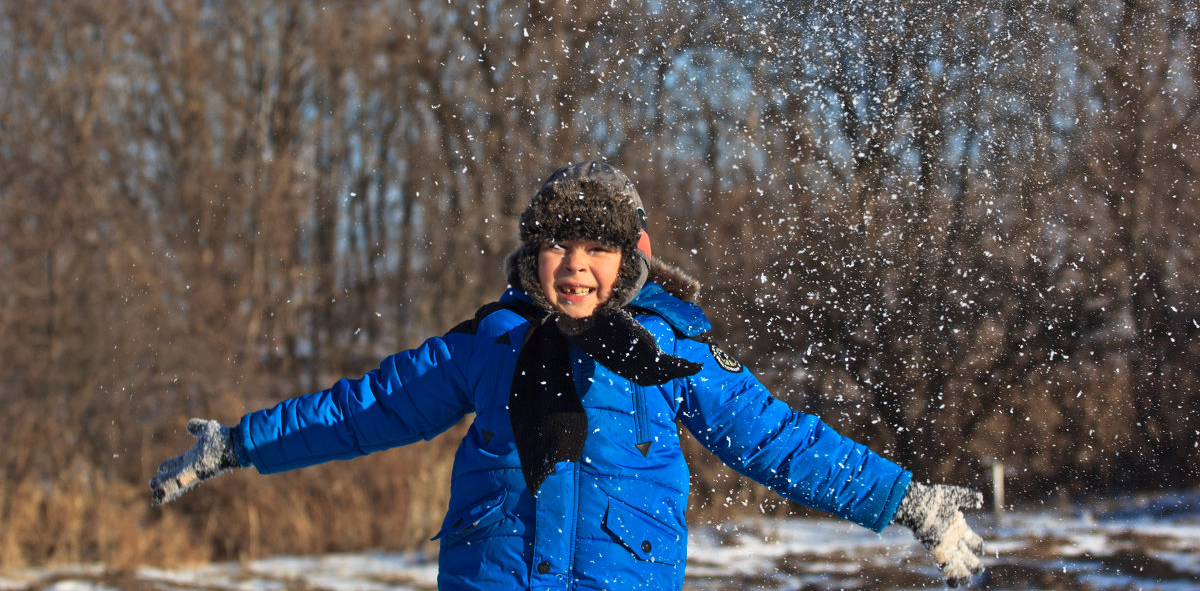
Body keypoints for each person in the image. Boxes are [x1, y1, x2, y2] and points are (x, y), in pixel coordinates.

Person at [151, 161, 986, 589]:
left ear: (631, 260)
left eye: (597, 247)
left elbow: (777, 439)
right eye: (559, 245)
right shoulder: (489, 347)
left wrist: (908, 500)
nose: (576, 266)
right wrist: (237, 444)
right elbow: (365, 410)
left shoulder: (672, 356)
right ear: (531, 254)